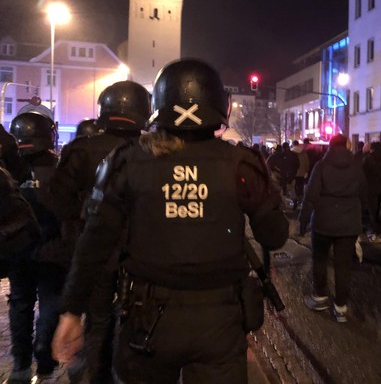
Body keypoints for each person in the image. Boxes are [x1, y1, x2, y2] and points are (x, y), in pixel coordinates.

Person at [52, 58, 288, 383]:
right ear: (222, 106)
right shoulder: (241, 164)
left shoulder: (126, 163)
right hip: (220, 322)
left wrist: (72, 310)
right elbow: (274, 235)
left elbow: (94, 241)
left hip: (147, 319)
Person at [49, 81, 151, 383]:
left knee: (98, 320)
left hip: (95, 250)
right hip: (137, 252)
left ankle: (97, 373)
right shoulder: (151, 153)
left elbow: (58, 200)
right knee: (136, 320)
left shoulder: (80, 150)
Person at [7, 112, 66, 383]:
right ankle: (44, 354)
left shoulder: (9, 169)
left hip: (19, 249)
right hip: (51, 248)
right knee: (51, 300)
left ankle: (20, 363)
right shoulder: (60, 167)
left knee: (20, 302)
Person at [299, 134, 367, 323]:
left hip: (323, 222)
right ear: (347, 145)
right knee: (343, 265)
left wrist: (303, 221)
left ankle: (320, 297)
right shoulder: (356, 166)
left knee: (320, 259)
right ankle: (341, 307)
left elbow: (311, 195)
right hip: (349, 223)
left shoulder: (321, 166)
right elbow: (364, 192)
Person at [291, 139, 309, 210]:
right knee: (300, 186)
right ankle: (301, 199)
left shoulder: (291, 152)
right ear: (298, 144)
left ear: (293, 144)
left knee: (294, 186)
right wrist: (306, 171)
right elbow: (307, 163)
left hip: (294, 173)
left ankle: (296, 199)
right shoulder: (304, 153)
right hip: (302, 173)